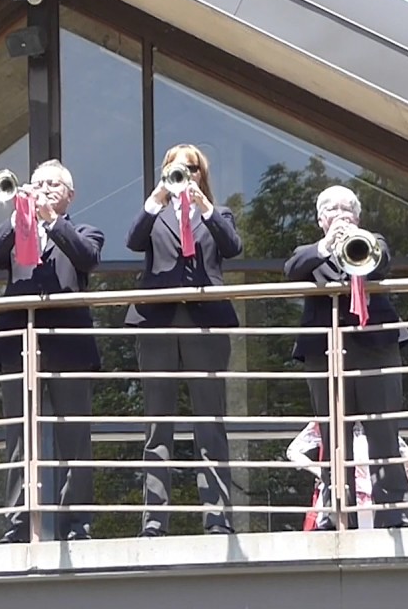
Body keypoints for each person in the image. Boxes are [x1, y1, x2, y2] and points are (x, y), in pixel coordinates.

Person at [0, 160, 104, 543]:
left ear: (70, 195)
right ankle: (19, 524)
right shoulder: (18, 229)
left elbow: (87, 258)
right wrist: (19, 212)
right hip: (18, 343)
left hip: (69, 345)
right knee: (19, 437)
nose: (45, 190)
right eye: (39, 184)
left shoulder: (84, 230)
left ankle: (76, 524)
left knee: (74, 438)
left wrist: (51, 219)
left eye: (54, 184)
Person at [126, 143, 242, 537]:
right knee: (158, 424)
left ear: (201, 173)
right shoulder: (156, 215)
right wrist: (156, 199)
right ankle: (154, 521)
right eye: (175, 168)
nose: (184, 174)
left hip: (205, 323)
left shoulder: (218, 213)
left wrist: (204, 207)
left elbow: (232, 247)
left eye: (191, 168)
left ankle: (217, 518)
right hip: (158, 324)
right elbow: (133, 241)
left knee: (209, 421)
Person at [284, 184, 408, 528]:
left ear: (357, 216)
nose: (340, 215)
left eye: (347, 210)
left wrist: (357, 239)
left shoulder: (373, 241)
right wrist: (327, 245)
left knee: (384, 431)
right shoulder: (310, 252)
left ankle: (394, 514)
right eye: (332, 210)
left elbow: (382, 264)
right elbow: (292, 269)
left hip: (377, 349)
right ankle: (336, 513)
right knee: (333, 436)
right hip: (324, 352)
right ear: (321, 220)